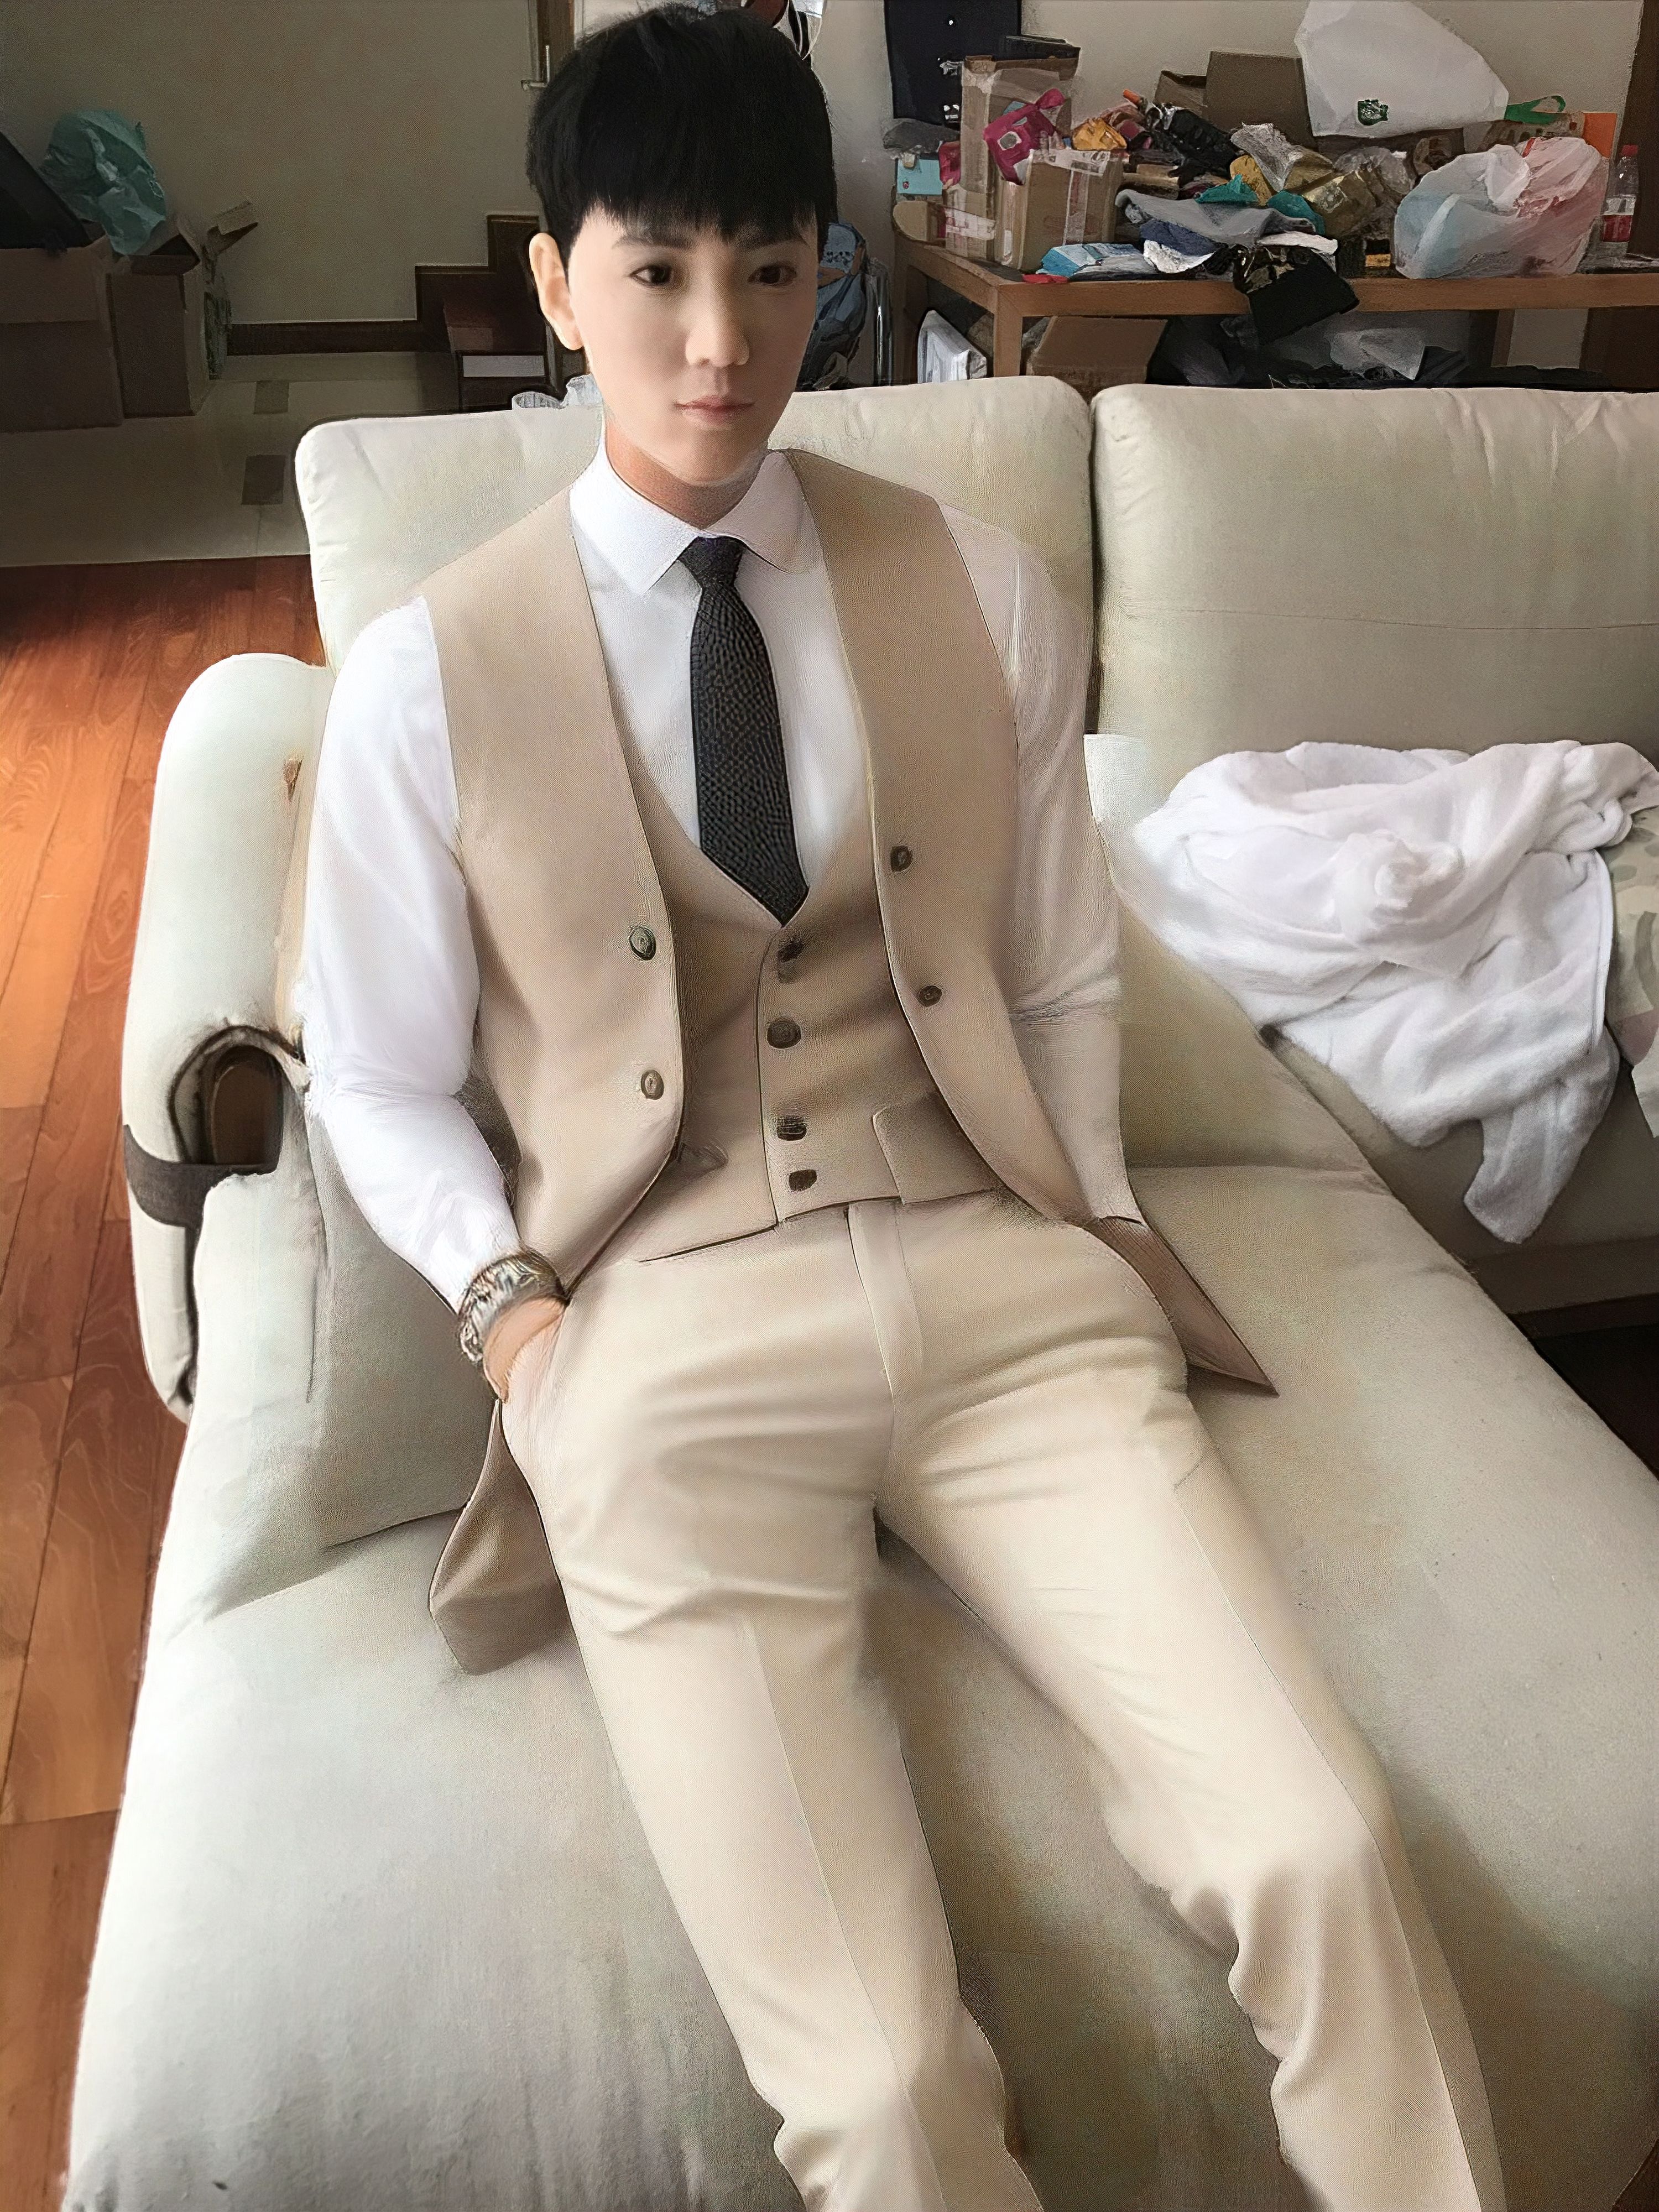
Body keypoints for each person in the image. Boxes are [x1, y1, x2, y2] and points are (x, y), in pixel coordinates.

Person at [293, 8, 1507, 2207]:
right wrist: (518, 1326)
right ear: (558, 284)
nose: (718, 339)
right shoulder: (423, 677)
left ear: (823, 280)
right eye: (657, 270)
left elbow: (1057, 967)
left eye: (769, 269)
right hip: (659, 1337)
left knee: (1321, 1844)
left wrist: (1095, 1221)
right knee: (875, 2090)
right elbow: (374, 1070)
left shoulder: (981, 588)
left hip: (1003, 1296)